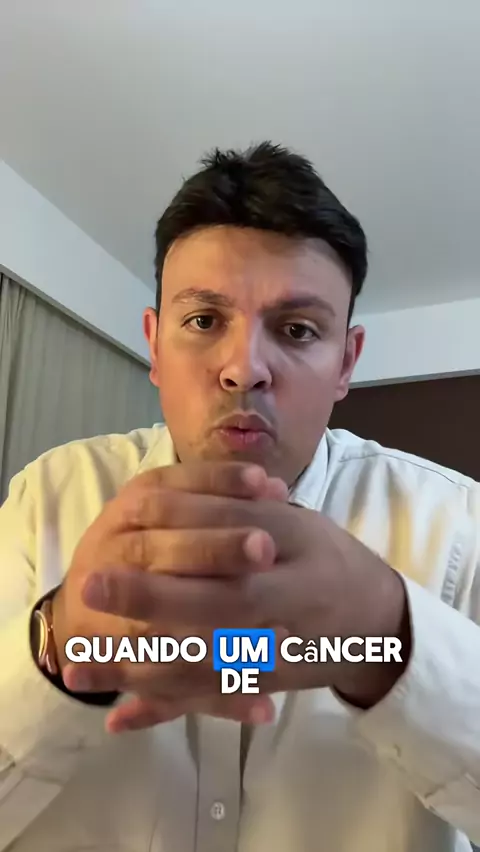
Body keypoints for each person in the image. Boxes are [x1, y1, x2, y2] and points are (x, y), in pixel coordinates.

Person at [0, 142, 479, 852]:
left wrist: (395, 643)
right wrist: (55, 647)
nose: (245, 369)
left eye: (297, 330)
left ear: (346, 363)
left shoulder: (458, 527)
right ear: (154, 346)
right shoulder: (49, 497)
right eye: (203, 321)